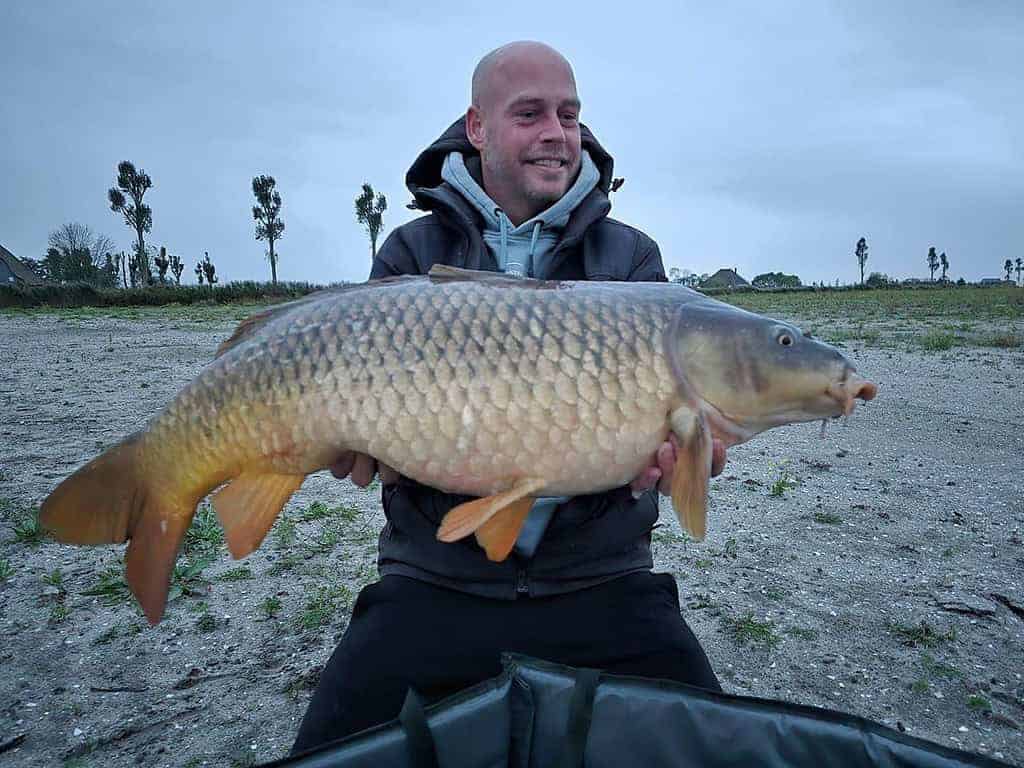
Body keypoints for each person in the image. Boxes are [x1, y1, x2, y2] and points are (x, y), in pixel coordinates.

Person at [291, 40, 727, 754]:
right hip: (435, 579)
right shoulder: (409, 252)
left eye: (569, 115)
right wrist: (357, 444)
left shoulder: (632, 261)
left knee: (710, 741)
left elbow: (675, 442)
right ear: (477, 128)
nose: (558, 134)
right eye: (529, 114)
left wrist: (688, 456)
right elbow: (367, 435)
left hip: (602, 579)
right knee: (330, 749)